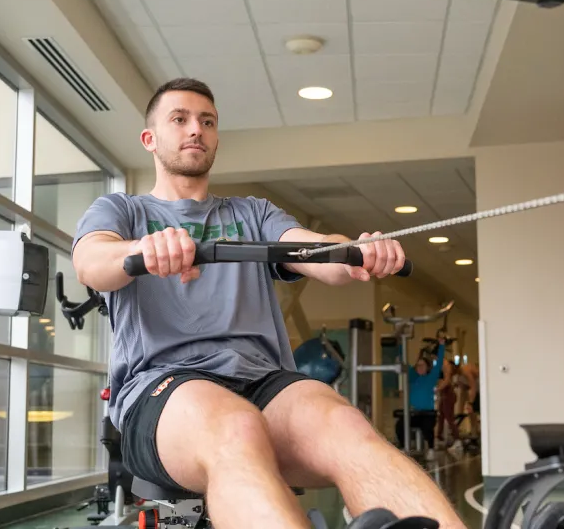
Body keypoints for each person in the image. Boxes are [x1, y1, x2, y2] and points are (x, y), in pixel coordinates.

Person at [72, 78, 463, 529]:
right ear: (150, 139)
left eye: (207, 121)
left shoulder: (252, 214)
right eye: (179, 120)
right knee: (237, 428)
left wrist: (357, 252)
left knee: (347, 427)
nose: (195, 129)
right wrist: (142, 251)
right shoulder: (123, 210)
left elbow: (318, 253)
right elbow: (90, 261)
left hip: (263, 380)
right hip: (162, 386)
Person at [399, 336, 442, 450]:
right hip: (414, 413)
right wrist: (400, 344)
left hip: (428, 414)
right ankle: (404, 448)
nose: (420, 367)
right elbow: (403, 361)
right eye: (418, 365)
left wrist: (441, 346)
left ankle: (431, 449)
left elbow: (439, 364)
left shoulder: (431, 378)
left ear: (427, 367)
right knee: (399, 425)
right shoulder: (412, 377)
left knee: (427, 428)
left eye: (422, 365)